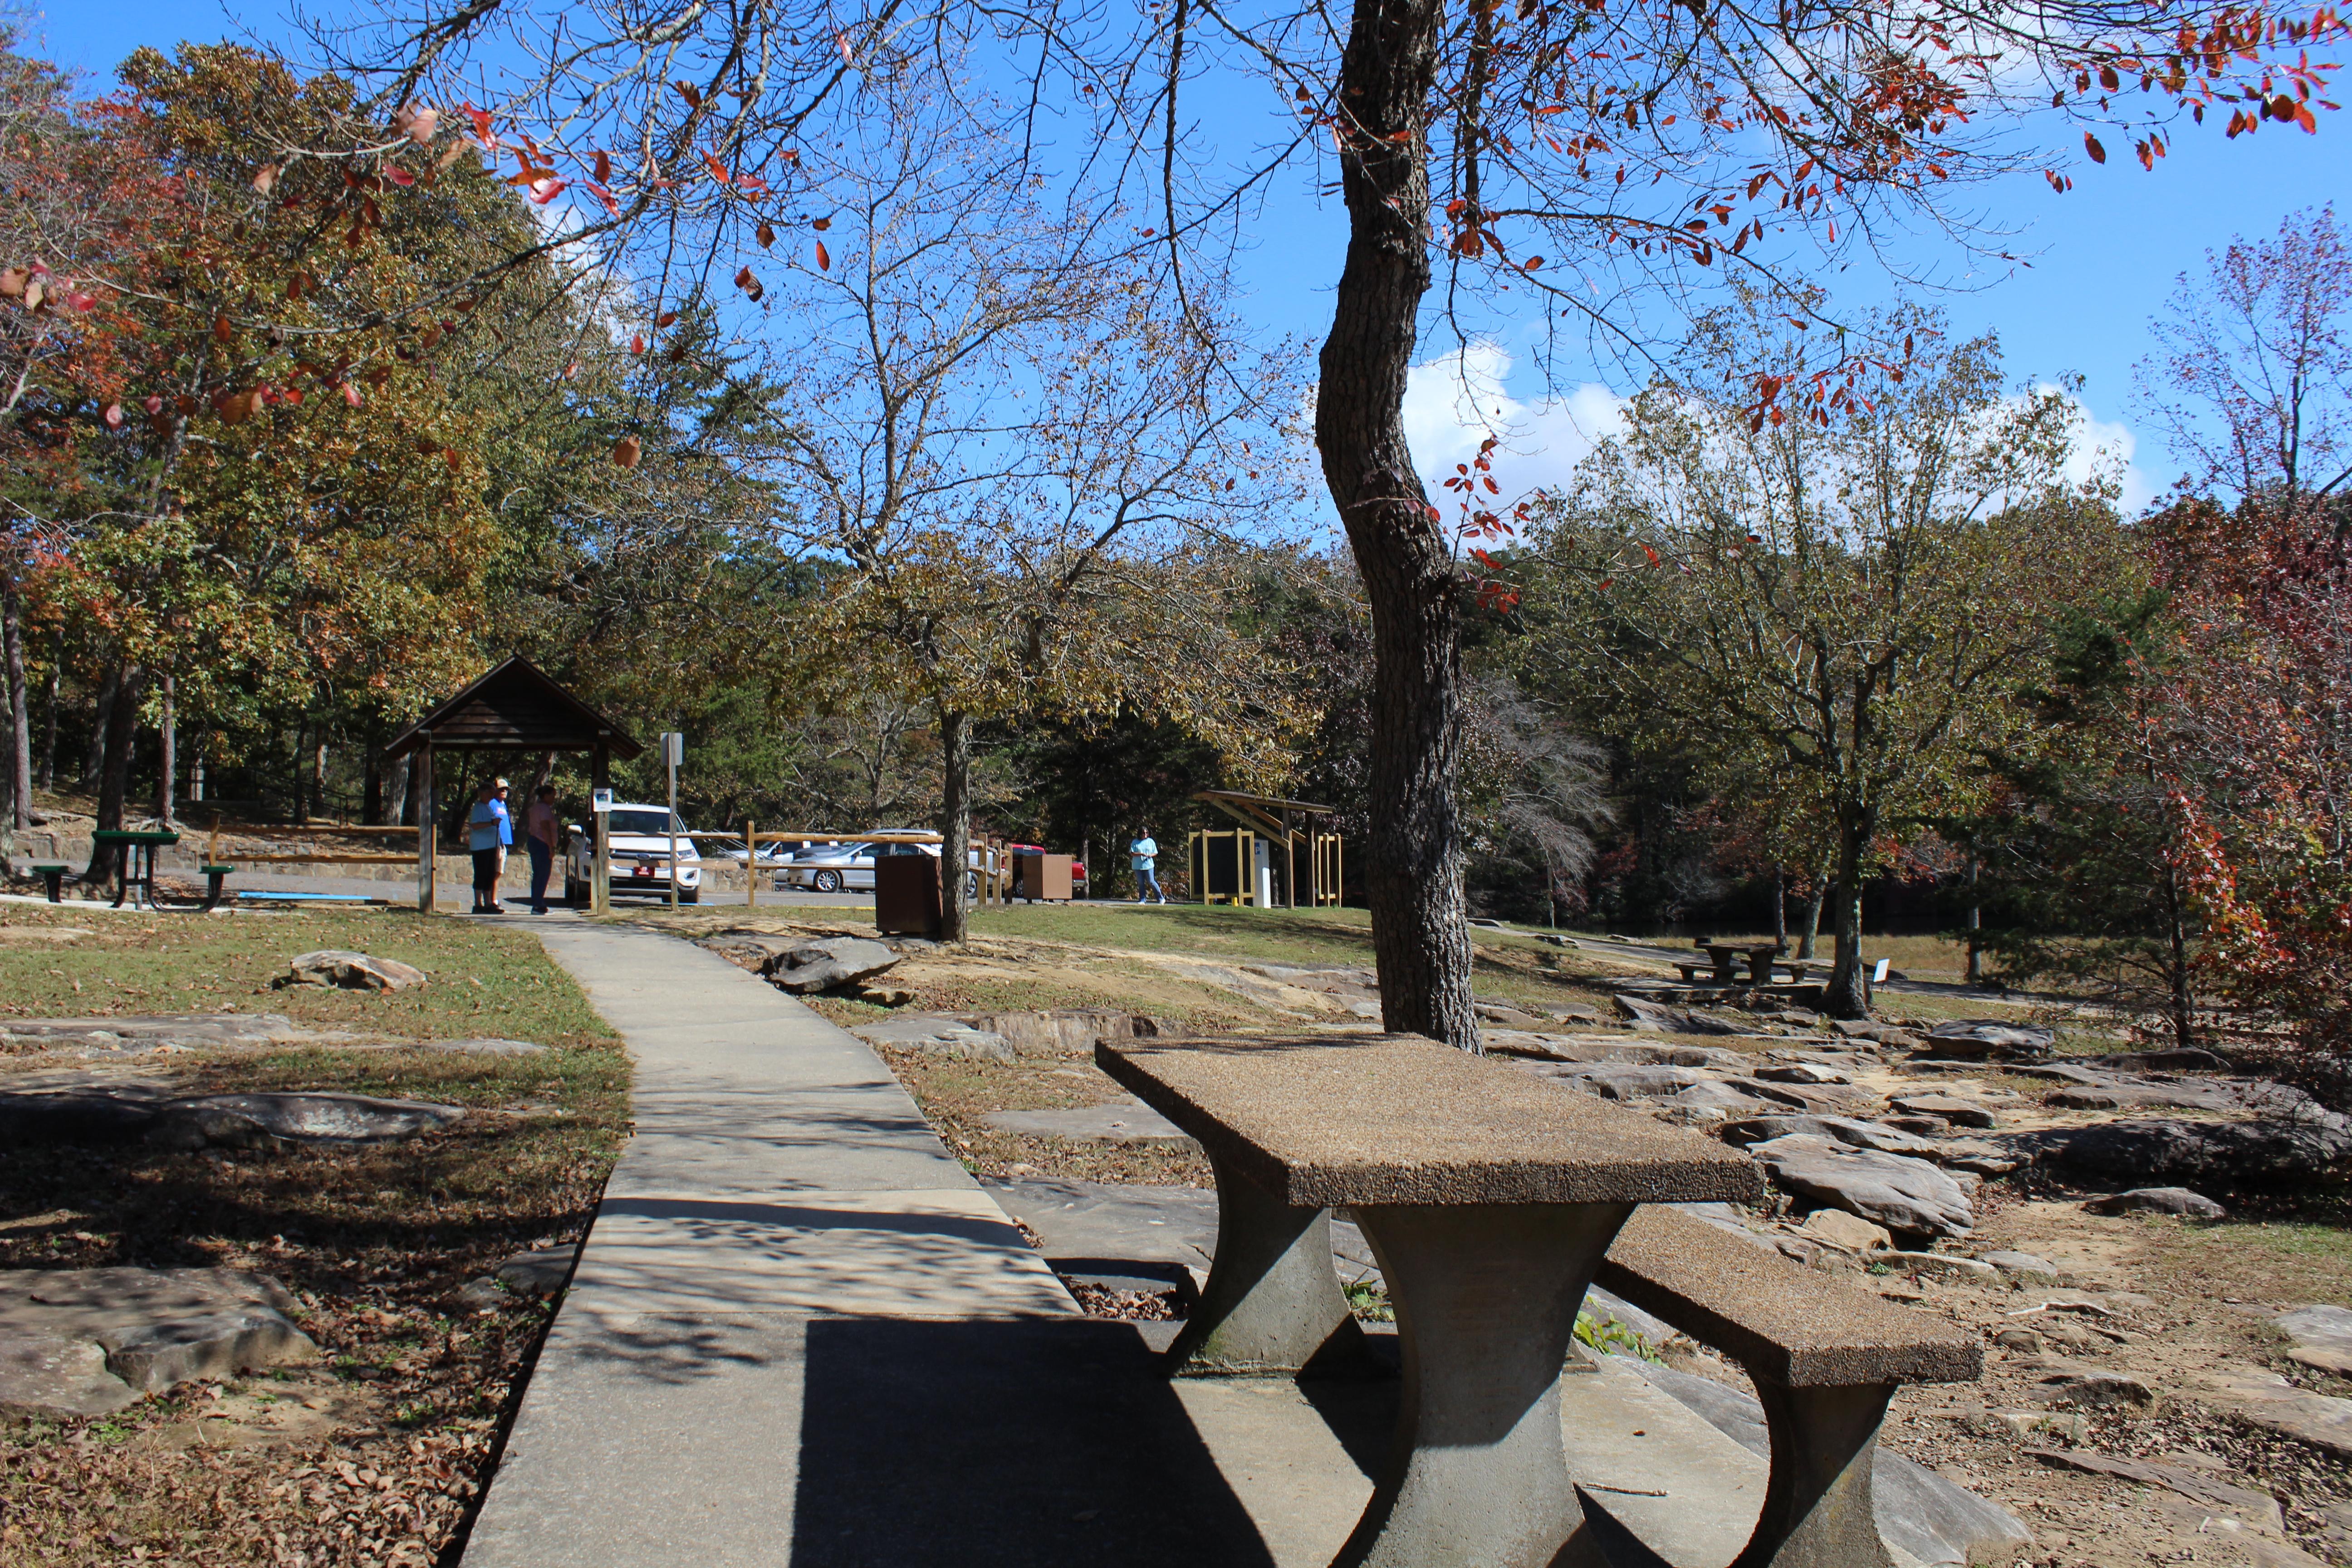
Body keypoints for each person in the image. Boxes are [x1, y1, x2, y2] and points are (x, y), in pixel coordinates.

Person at [467, 779, 512, 914]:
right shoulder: (478, 807)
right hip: (481, 847)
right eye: (490, 793)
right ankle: (478, 904)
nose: (492, 796)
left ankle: (488, 903)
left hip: (492, 845)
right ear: (482, 793)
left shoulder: (488, 807)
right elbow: (475, 825)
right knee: (481, 874)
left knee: (489, 875)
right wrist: (492, 823)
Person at [524, 784, 559, 914]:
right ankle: (538, 904)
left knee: (538, 873)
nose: (554, 799)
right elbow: (545, 828)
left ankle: (537, 902)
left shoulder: (535, 808)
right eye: (552, 796)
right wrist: (551, 847)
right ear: (545, 796)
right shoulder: (544, 809)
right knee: (543, 874)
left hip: (534, 841)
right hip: (542, 843)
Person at [1129, 831, 1165, 904]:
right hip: (1138, 866)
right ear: (1140, 834)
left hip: (1148, 865)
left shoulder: (1151, 841)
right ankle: (1142, 899)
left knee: (1151, 881)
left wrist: (1150, 856)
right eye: (1143, 833)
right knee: (1141, 883)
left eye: (1147, 833)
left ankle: (1160, 898)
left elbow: (1155, 852)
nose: (1145, 835)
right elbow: (1132, 853)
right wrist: (1141, 854)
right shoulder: (1135, 842)